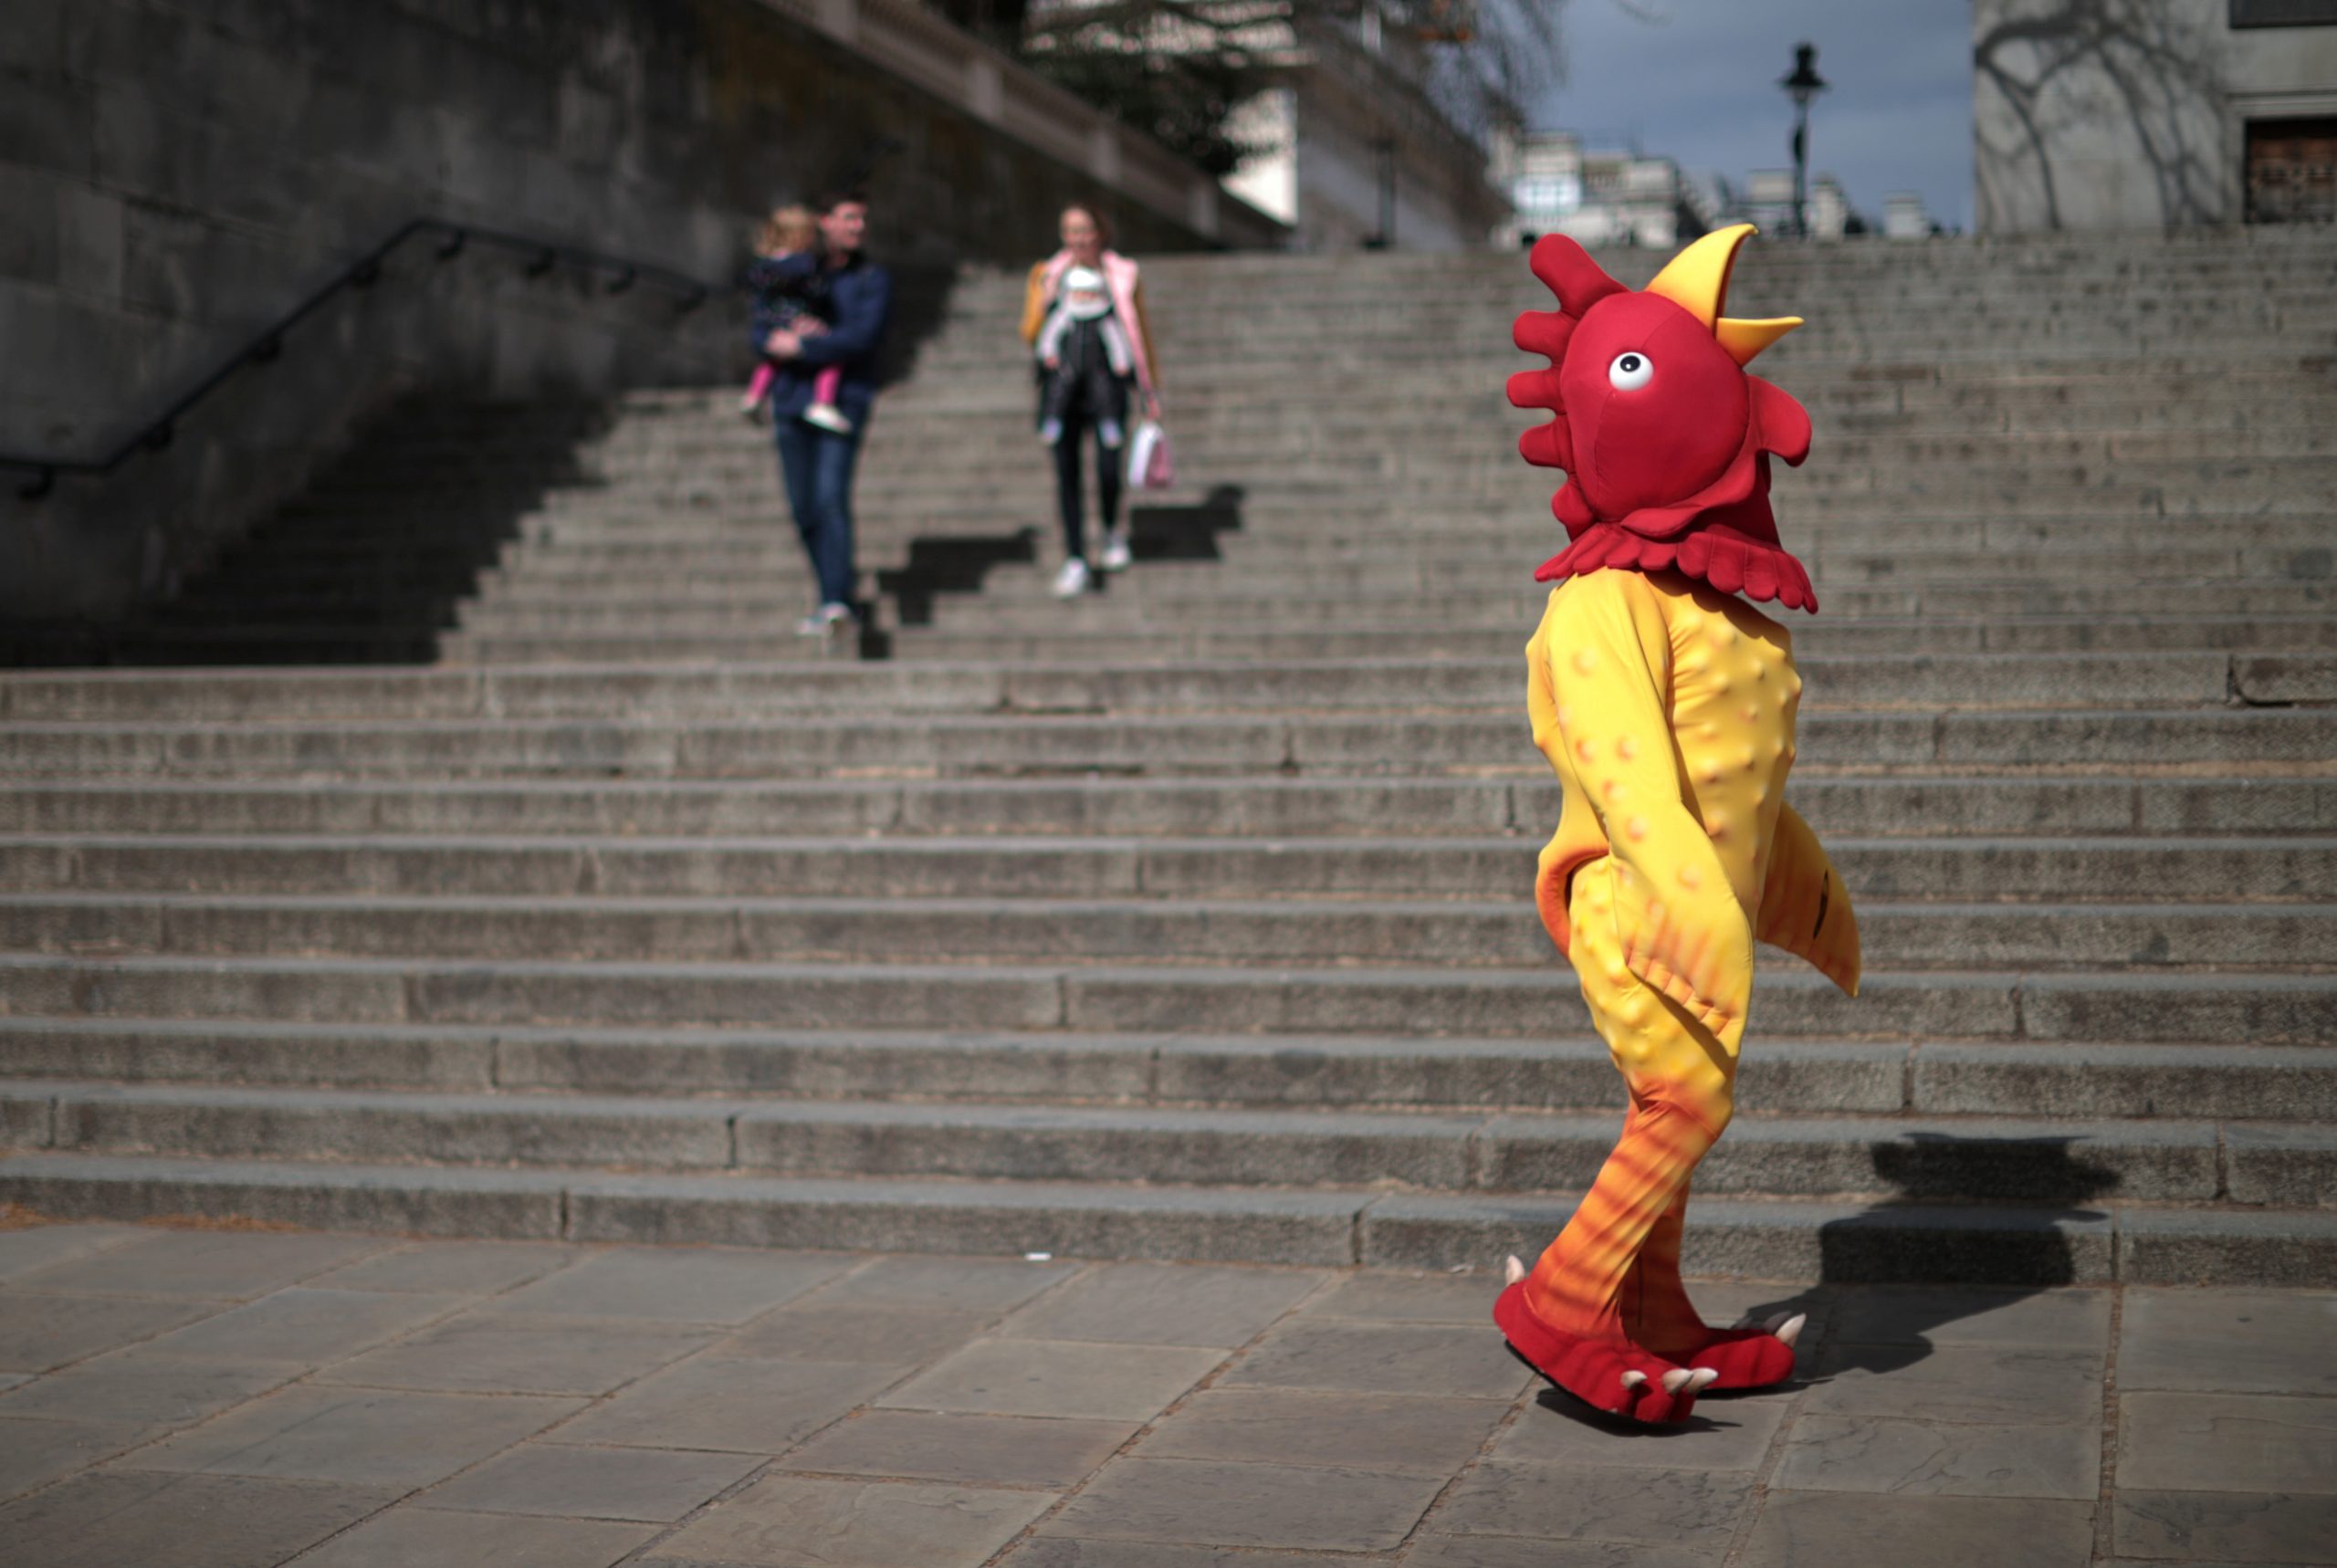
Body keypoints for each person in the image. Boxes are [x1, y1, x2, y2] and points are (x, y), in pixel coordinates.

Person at [1493, 225, 1860, 1424]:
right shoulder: (1601, 603)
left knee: (1681, 1096)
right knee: (1684, 1101)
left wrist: (1796, 885)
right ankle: (1564, 1301)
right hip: (1635, 896)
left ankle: (1650, 1316)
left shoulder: (1725, 615)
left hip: (1698, 906)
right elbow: (1631, 773)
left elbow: (1741, 783)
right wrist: (1693, 901)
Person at [753, 191, 893, 638]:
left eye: (862, 219)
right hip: (791, 397)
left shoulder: (872, 277)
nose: (858, 227)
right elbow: (759, 323)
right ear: (824, 222)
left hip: (843, 399)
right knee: (802, 506)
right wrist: (774, 339)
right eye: (849, 218)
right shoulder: (795, 271)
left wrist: (805, 346)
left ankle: (837, 601)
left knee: (830, 497)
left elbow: (863, 337)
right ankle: (830, 593)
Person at [1020, 205, 1160, 599]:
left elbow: (1138, 335)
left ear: (1100, 233)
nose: (1077, 239)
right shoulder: (1046, 274)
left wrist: (1149, 389)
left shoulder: (1122, 275)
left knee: (1108, 466)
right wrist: (1044, 296)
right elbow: (1031, 331)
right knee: (1066, 473)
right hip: (1062, 388)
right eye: (1069, 231)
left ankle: (1112, 530)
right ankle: (1076, 556)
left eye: (1084, 230)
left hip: (1107, 386)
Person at [740, 206, 851, 435]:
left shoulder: (764, 265)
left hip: (774, 321)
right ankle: (823, 402)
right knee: (831, 357)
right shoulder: (803, 263)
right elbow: (817, 289)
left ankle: (754, 395)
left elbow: (755, 288)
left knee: (772, 361)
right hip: (799, 320)